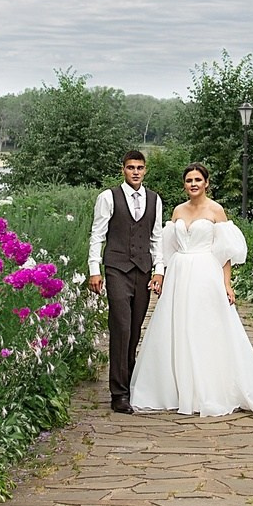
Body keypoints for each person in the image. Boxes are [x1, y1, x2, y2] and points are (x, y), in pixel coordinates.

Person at [129, 163, 253, 418]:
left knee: (205, 327)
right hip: (179, 273)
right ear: (184, 184)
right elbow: (167, 248)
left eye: (198, 180)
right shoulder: (178, 211)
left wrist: (227, 284)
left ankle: (208, 388)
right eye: (189, 180)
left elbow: (225, 252)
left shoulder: (216, 210)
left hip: (205, 273)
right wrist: (162, 275)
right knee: (177, 327)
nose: (193, 184)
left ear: (206, 183)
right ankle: (176, 388)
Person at [86, 150, 160, 413]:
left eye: (140, 167)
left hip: (143, 269)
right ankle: (118, 393)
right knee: (121, 327)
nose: (135, 172)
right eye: (131, 167)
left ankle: (129, 384)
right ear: (123, 170)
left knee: (135, 330)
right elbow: (97, 235)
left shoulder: (154, 199)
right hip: (116, 268)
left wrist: (159, 270)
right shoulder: (108, 197)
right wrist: (94, 270)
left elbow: (156, 237)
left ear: (145, 170)